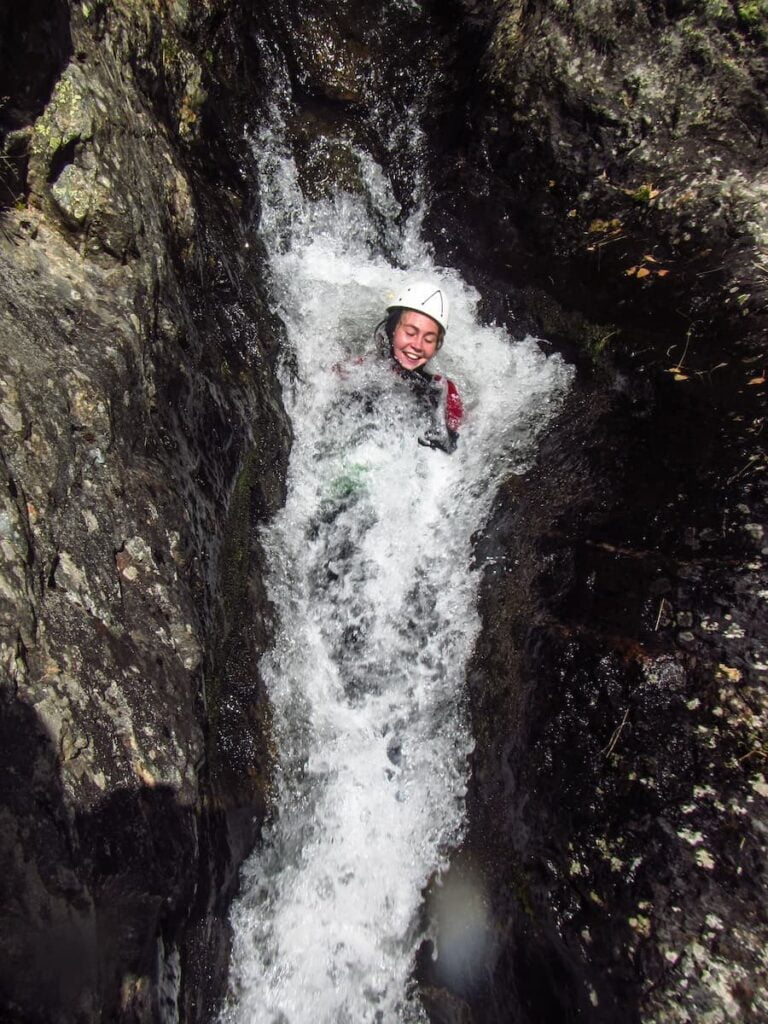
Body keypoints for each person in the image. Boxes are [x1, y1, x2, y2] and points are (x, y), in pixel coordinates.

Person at [374, 280, 463, 453]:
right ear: (392, 330)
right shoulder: (358, 369)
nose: (417, 345)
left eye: (429, 339)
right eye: (410, 333)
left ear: (437, 346)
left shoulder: (445, 391)